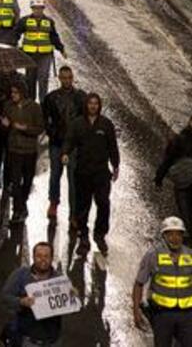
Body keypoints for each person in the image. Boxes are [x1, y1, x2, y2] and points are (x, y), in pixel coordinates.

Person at [63, 92, 119, 257]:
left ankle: (100, 234)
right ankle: (84, 237)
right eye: (90, 103)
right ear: (86, 105)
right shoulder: (77, 124)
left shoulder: (106, 124)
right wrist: (65, 152)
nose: (93, 106)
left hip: (101, 173)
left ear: (99, 105)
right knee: (82, 207)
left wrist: (116, 165)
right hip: (83, 172)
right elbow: (69, 140)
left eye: (96, 103)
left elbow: (113, 146)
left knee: (103, 203)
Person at [132, 216, 192, 344]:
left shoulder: (190, 256)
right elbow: (139, 283)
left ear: (182, 236)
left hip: (187, 315)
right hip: (162, 315)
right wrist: (136, 310)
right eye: (170, 234)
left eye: (178, 234)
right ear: (164, 236)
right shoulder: (152, 255)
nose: (175, 238)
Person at [42, 66, 86, 222]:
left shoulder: (81, 98)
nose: (67, 80)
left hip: (73, 145)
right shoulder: (51, 98)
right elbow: (45, 118)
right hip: (57, 143)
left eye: (69, 77)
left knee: (73, 180)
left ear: (72, 77)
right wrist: (52, 133)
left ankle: (73, 212)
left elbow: (85, 120)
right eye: (64, 77)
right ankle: (53, 202)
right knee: (55, 175)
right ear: (59, 78)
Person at [1, 242, 63, 347]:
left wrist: (73, 295)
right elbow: (5, 297)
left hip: (53, 341)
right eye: (39, 256)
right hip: (26, 339)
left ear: (52, 258)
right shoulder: (20, 275)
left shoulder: (59, 279)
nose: (42, 259)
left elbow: (72, 305)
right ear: (33, 257)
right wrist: (21, 302)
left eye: (46, 256)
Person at [2, 80, 45, 225]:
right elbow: (3, 125)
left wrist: (24, 128)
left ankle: (22, 204)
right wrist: (5, 126)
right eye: (12, 92)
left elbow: (39, 128)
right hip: (14, 150)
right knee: (15, 181)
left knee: (27, 181)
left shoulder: (34, 108)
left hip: (29, 151)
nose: (13, 95)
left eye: (15, 92)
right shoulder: (8, 107)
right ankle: (17, 210)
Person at [15, 0, 65, 100]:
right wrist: (15, 46)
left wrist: (61, 49)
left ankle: (43, 103)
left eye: (40, 8)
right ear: (32, 9)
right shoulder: (24, 21)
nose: (38, 10)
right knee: (30, 80)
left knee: (43, 79)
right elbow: (15, 33)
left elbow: (54, 37)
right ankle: (31, 103)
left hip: (45, 55)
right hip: (29, 55)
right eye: (35, 8)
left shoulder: (49, 22)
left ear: (43, 9)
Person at [155, 116, 192, 233]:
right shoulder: (180, 139)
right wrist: (159, 178)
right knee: (186, 215)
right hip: (183, 184)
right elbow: (168, 159)